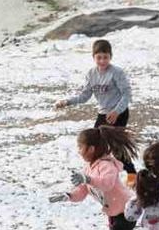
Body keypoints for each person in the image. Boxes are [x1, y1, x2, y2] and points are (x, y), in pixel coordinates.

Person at [49, 126, 149, 230]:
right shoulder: (89, 167)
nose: (79, 151)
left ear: (91, 149)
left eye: (81, 147)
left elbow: (106, 184)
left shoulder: (106, 166)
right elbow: (82, 191)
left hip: (127, 210)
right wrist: (68, 196)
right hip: (114, 212)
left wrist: (88, 179)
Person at [54, 39, 136, 177]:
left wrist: (116, 111)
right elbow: (84, 96)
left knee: (116, 147)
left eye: (106, 57)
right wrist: (67, 102)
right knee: (94, 143)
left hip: (119, 113)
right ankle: (98, 173)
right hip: (103, 113)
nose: (102, 61)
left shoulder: (116, 72)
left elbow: (127, 95)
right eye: (99, 57)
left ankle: (132, 174)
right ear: (93, 57)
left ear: (110, 56)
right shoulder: (91, 74)